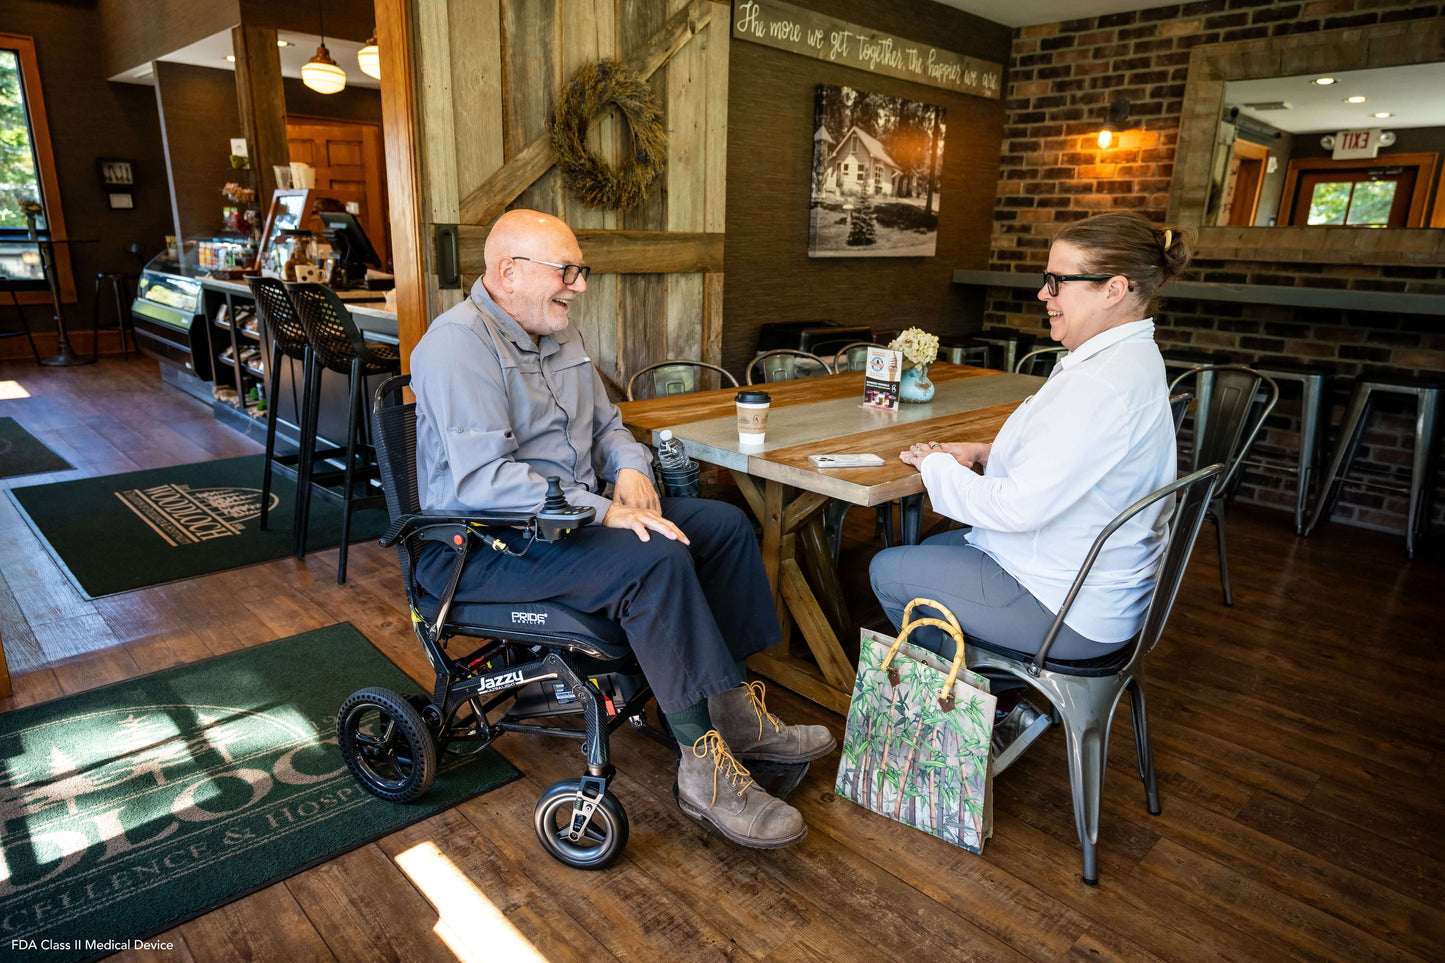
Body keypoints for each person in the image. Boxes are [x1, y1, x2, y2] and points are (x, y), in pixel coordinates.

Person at [410, 209, 834, 848]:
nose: (579, 286)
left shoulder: (559, 334)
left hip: (566, 523)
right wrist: (608, 509)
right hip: (486, 545)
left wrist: (631, 470)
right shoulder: (456, 344)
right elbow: (483, 482)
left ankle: (735, 715)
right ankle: (703, 769)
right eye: (568, 272)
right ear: (509, 273)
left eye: (579, 272)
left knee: (721, 526)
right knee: (653, 557)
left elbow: (610, 426)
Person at [869, 211, 1192, 770]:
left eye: (1058, 281)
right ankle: (991, 698)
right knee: (939, 551)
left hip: (1069, 609)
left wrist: (936, 467)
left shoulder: (1098, 383)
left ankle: (953, 735)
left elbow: (1015, 507)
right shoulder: (1130, 359)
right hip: (1097, 586)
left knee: (887, 569)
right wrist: (983, 452)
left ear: (1114, 289)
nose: (1045, 294)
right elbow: (1075, 458)